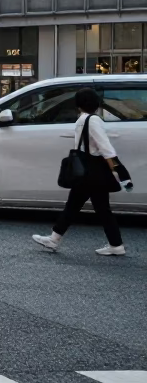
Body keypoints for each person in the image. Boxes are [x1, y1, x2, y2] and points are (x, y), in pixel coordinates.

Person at [32, 87, 127, 256]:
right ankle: (115, 244)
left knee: (78, 206)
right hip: (93, 171)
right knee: (95, 208)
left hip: (89, 172)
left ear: (78, 105)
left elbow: (104, 147)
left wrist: (120, 170)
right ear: (96, 104)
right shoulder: (92, 119)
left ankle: (54, 239)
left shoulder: (88, 120)